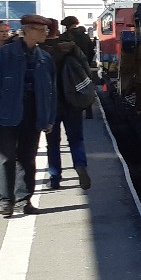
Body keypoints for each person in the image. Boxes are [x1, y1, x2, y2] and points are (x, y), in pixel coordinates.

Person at [0, 14, 57, 216]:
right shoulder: (5, 54)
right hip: (7, 112)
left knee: (27, 157)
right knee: (6, 157)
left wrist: (49, 118)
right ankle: (6, 200)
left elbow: (51, 92)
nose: (45, 34)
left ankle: (24, 200)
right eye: (42, 30)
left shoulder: (45, 58)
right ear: (28, 30)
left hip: (33, 112)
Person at [39, 22, 91, 190]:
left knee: (53, 143)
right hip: (73, 101)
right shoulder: (71, 48)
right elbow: (86, 71)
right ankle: (80, 166)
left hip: (51, 104)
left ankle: (55, 177)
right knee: (76, 139)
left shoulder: (41, 51)